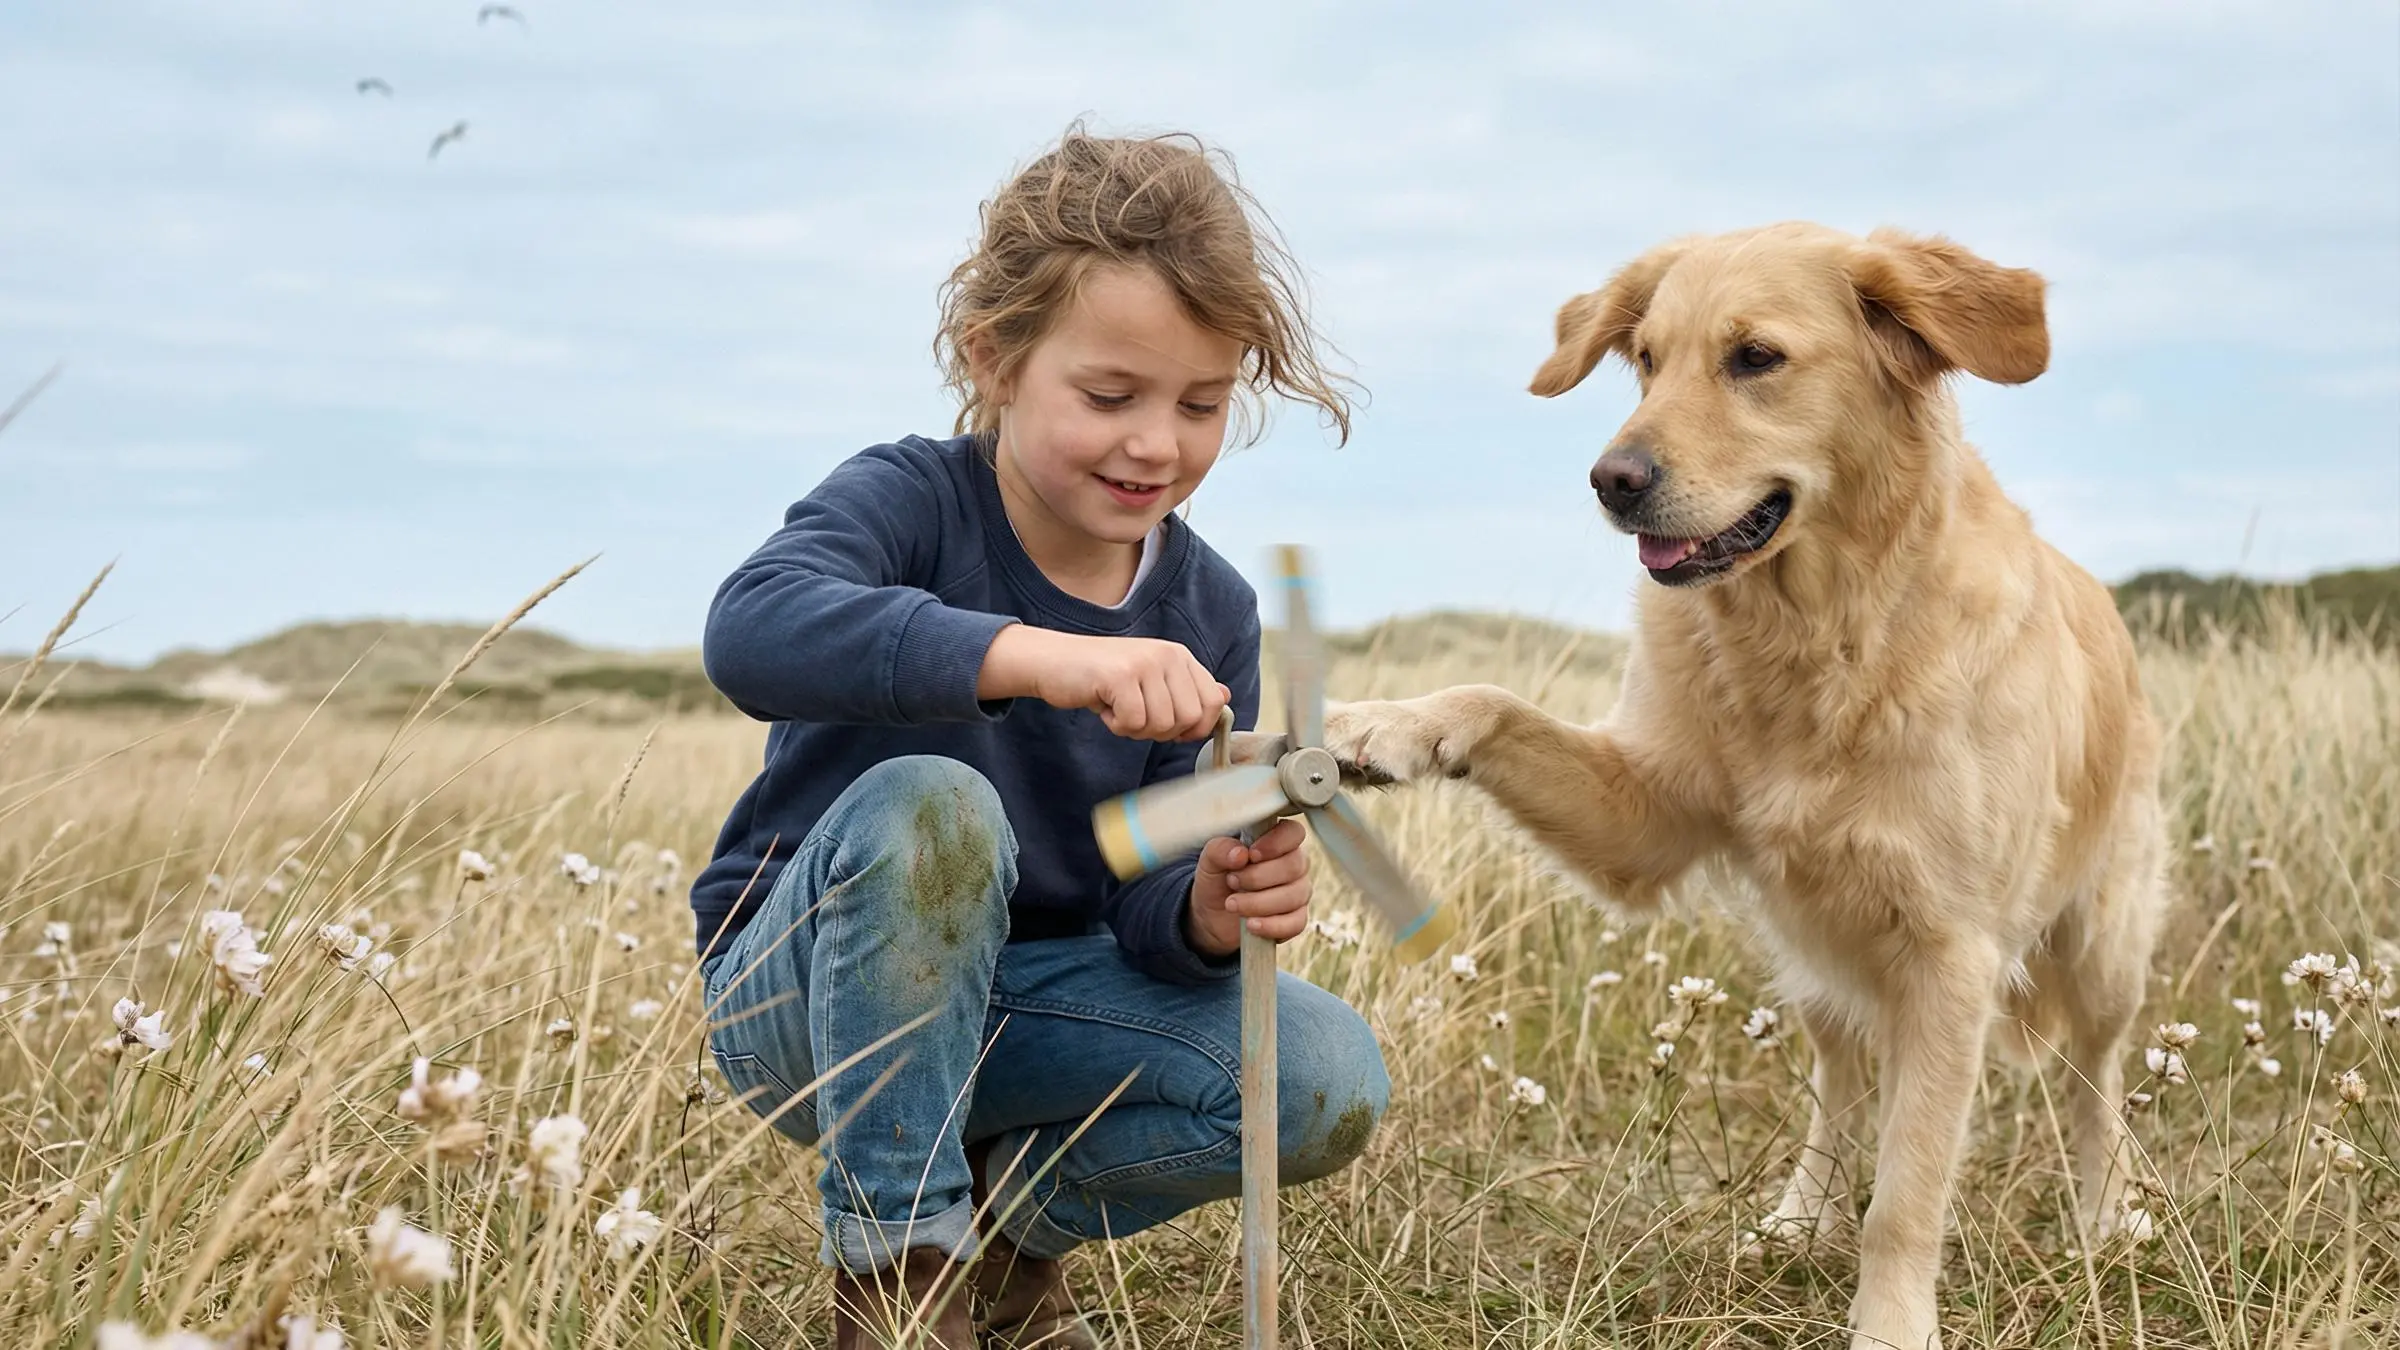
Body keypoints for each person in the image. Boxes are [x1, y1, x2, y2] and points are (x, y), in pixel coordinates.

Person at [691, 125, 1391, 1350]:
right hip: (807, 998)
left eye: (1202, 404)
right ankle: (899, 1283)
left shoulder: (1211, 611)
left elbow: (1143, 881)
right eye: (1110, 397)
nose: (1157, 443)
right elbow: (752, 629)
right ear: (996, 360)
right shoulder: (911, 500)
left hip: (1036, 1000)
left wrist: (1206, 909)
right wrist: (1040, 657)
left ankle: (1010, 1246)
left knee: (1321, 1074)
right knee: (934, 804)